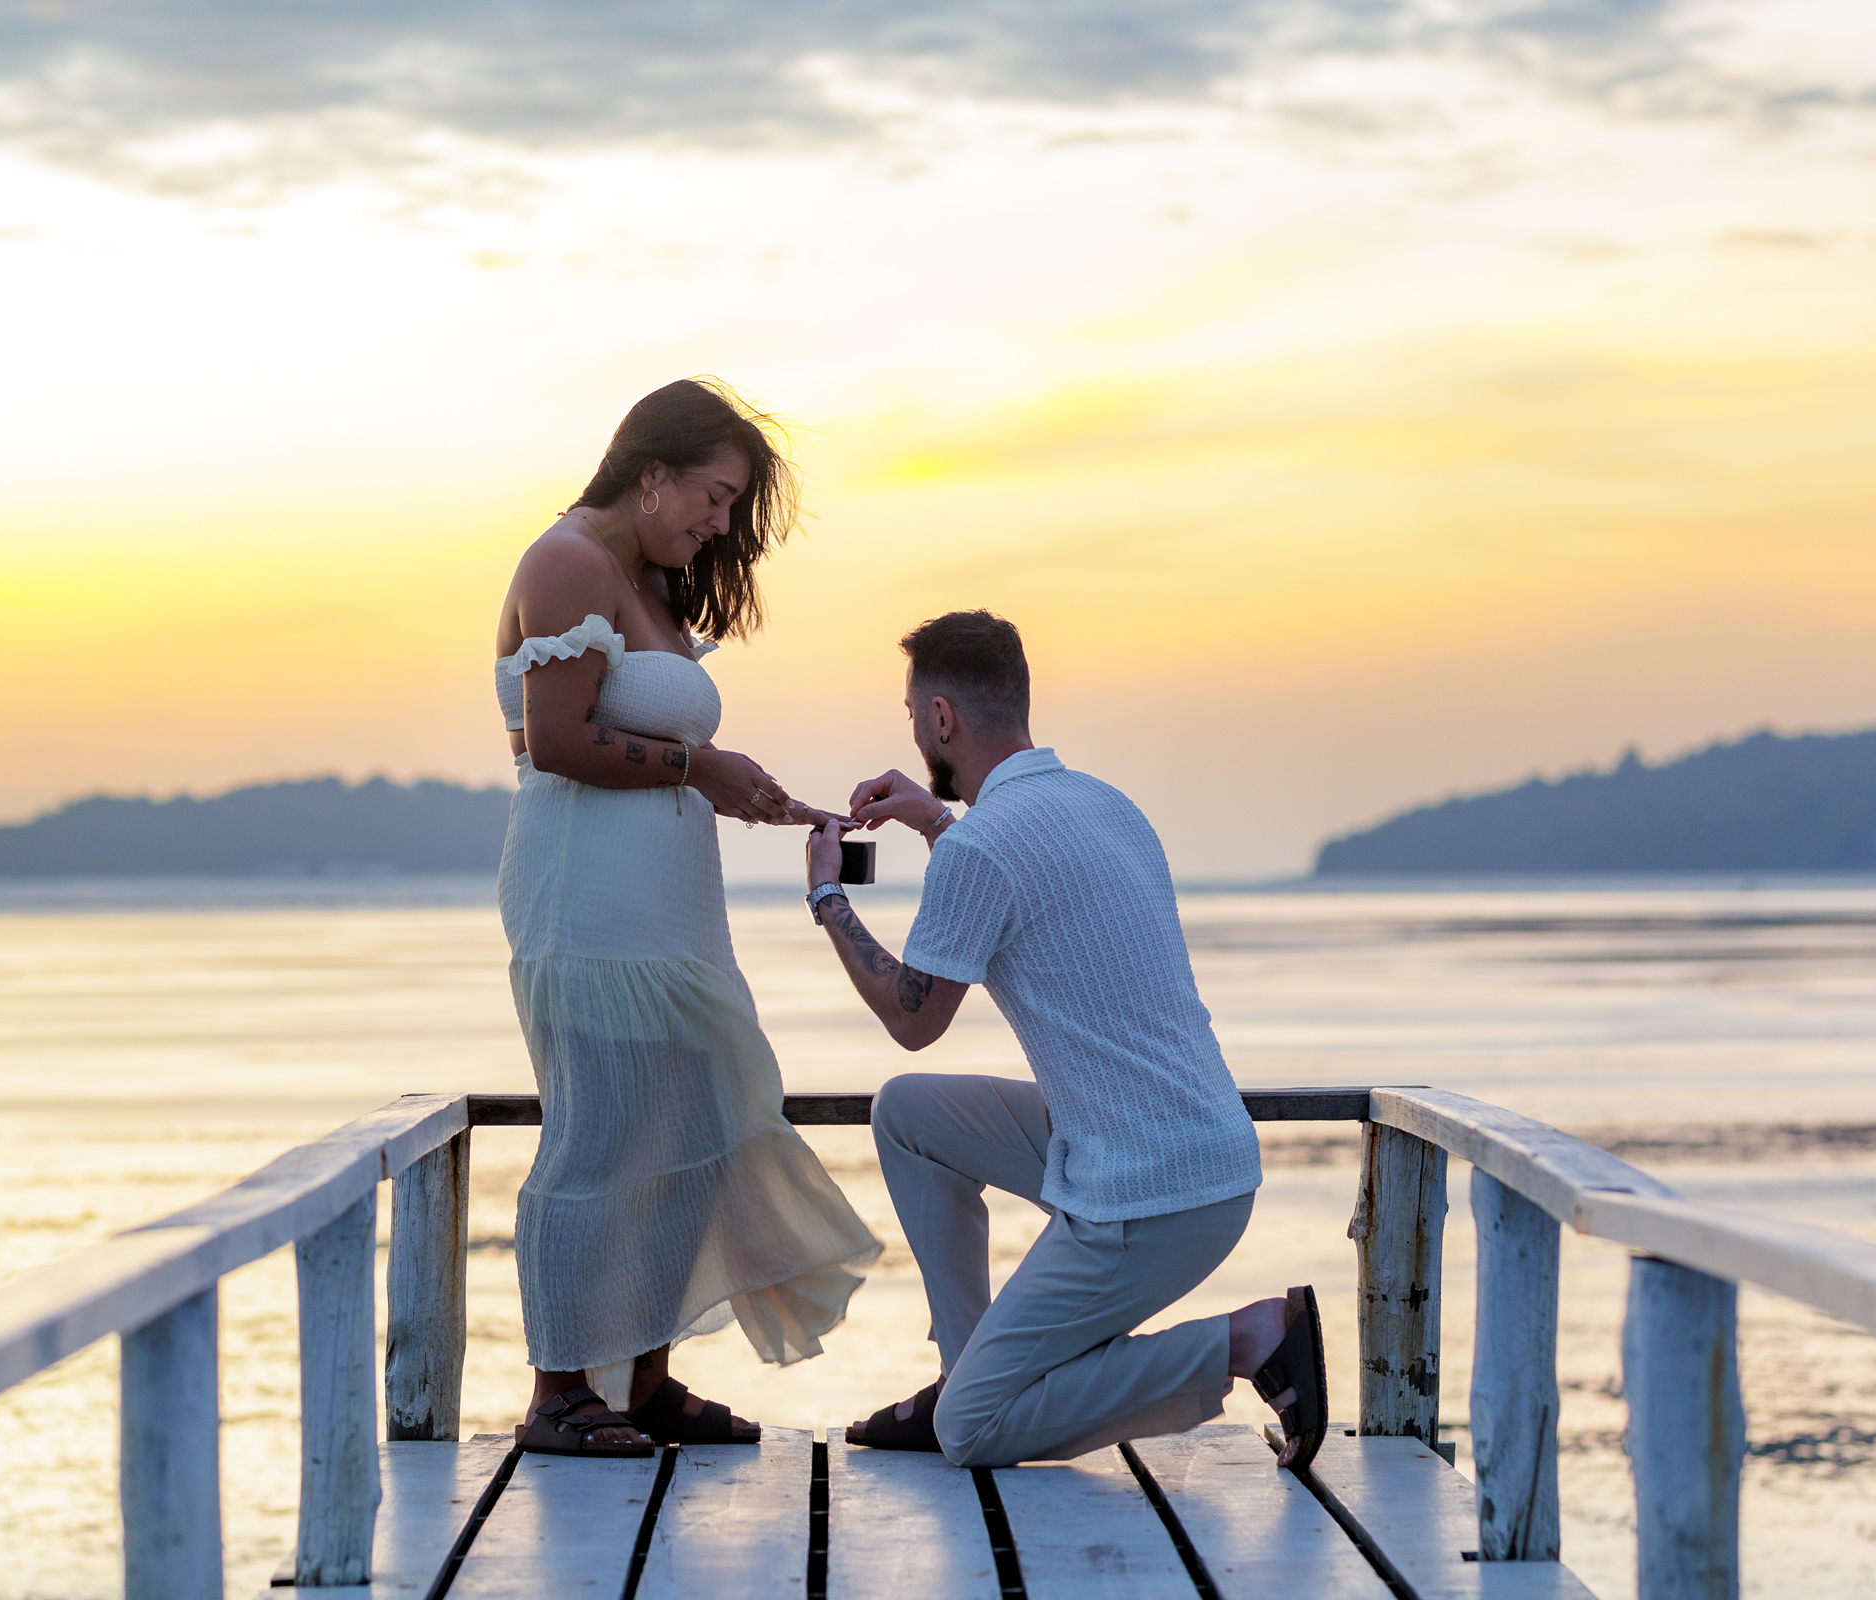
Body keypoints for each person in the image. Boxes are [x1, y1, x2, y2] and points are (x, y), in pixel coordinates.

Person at [803, 610, 1328, 1470]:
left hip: (1150, 1194)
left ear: (941, 717)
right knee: (908, 1116)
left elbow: (912, 1020)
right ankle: (966, 1367)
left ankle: (1247, 1340)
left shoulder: (982, 848)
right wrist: (936, 822)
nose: (915, 733)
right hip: (1195, 1151)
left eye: (913, 715)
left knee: (972, 1430)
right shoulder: (1104, 805)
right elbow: (1018, 874)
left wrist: (828, 897)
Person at [493, 379, 880, 1457]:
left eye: (732, 504)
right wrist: (701, 766)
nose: (720, 521)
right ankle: (559, 1392)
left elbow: (660, 750)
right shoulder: (568, 561)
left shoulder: (649, 583)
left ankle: (644, 1378)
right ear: (651, 472)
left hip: (671, 908)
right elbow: (556, 739)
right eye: (714, 495)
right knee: (601, 1134)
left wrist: (746, 790)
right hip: (588, 900)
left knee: (689, 1123)